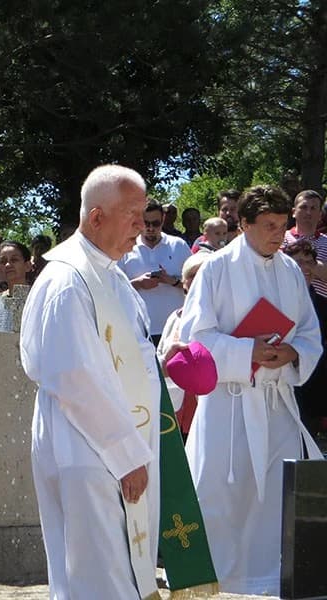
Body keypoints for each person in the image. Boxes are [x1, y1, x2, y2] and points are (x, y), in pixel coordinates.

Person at [21, 165, 164, 599]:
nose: (142, 228)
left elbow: (132, 356)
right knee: (97, 580)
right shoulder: (69, 278)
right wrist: (125, 454)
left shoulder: (113, 275)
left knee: (119, 575)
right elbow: (73, 375)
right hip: (87, 451)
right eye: (133, 215)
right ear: (96, 217)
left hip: (118, 449)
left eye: (144, 215)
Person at [178, 185, 323, 595]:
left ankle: (268, 576)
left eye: (283, 226)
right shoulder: (216, 268)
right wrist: (247, 351)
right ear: (242, 224)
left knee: (275, 496)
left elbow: (310, 332)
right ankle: (215, 578)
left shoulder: (290, 270)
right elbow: (195, 339)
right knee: (223, 495)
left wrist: (293, 352)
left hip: (275, 401)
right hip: (229, 401)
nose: (279, 235)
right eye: (269, 226)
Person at [118, 198, 192, 344]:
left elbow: (196, 285)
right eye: (146, 223)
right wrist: (138, 283)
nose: (150, 228)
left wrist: (172, 281)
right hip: (140, 332)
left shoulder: (178, 245)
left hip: (176, 330)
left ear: (163, 219)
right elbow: (113, 289)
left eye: (156, 223)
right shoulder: (125, 248)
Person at [156, 252, 212, 440]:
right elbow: (161, 355)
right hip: (175, 406)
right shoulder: (175, 317)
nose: (197, 282)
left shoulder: (223, 320)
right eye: (192, 276)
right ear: (184, 283)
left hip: (206, 407)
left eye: (203, 275)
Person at [282, 240, 327, 436]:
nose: (305, 268)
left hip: (314, 390)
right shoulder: (275, 302)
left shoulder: (324, 305)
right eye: (298, 262)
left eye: (309, 262)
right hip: (282, 386)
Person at [283, 189, 327, 299]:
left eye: (313, 208)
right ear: (293, 212)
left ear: (320, 214)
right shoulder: (279, 239)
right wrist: (316, 266)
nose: (308, 212)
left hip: (321, 310)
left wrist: (298, 261)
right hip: (287, 302)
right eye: (303, 207)